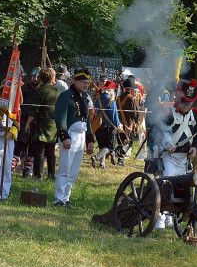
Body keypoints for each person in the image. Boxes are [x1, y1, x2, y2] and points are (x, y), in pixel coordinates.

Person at [153, 79, 197, 229]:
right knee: (166, 186)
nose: (187, 107)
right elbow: (157, 132)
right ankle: (159, 219)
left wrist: (195, 147)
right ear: (178, 100)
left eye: (190, 104)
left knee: (179, 189)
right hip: (169, 156)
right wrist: (166, 143)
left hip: (184, 158)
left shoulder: (194, 114)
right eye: (184, 103)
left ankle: (172, 219)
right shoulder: (168, 114)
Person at [54, 68, 95, 207]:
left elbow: (87, 119)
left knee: (73, 171)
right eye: (83, 82)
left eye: (87, 83)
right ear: (74, 81)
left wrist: (90, 138)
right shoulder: (65, 96)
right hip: (70, 135)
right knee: (65, 169)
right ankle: (58, 198)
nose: (85, 85)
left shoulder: (84, 97)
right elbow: (60, 117)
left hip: (81, 136)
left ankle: (66, 198)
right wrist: (64, 136)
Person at [25, 68, 59, 180]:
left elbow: (34, 110)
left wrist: (28, 124)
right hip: (54, 125)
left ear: (40, 78)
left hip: (42, 124)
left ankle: (38, 176)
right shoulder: (56, 91)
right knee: (51, 152)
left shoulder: (39, 91)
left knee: (39, 151)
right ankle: (52, 175)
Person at [0, 101, 19, 200]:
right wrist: (1, 112)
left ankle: (4, 193)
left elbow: (18, 122)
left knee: (7, 166)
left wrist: (12, 132)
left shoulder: (16, 106)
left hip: (9, 139)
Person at [14, 67, 40, 177]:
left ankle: (27, 171)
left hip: (36, 123)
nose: (35, 79)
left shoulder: (41, 90)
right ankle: (11, 169)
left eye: (38, 77)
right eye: (34, 76)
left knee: (32, 149)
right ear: (30, 77)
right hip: (23, 121)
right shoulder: (23, 89)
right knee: (19, 148)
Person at [92, 80, 123, 169]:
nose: (114, 93)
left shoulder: (98, 99)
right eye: (113, 91)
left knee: (102, 146)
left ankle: (102, 165)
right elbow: (114, 116)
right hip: (108, 128)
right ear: (110, 91)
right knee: (110, 147)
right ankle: (96, 157)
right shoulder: (111, 101)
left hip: (99, 126)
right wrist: (119, 126)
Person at [115, 78, 142, 166]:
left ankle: (119, 159)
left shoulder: (118, 98)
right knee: (129, 143)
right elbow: (135, 112)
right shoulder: (132, 99)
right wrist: (137, 121)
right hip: (128, 124)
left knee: (121, 142)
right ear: (130, 89)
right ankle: (115, 154)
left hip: (119, 123)